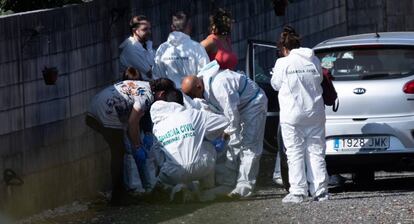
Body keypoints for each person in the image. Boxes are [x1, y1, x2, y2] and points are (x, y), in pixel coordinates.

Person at [181, 61, 268, 198]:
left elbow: (232, 116)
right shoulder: (201, 85)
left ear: (198, 86)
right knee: (231, 144)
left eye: (194, 95)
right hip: (237, 106)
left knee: (249, 146)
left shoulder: (220, 86)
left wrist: (225, 135)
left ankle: (244, 187)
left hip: (253, 103)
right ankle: (228, 183)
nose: (195, 98)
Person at [85, 78, 175, 206]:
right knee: (118, 152)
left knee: (119, 150)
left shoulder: (143, 84)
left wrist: (140, 139)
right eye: (165, 100)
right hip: (107, 111)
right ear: (161, 94)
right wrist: (137, 147)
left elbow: (135, 121)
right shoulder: (147, 97)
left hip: (95, 106)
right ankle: (118, 197)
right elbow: (133, 122)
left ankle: (121, 193)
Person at [270, 25, 329, 203]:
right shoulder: (313, 59)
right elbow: (319, 79)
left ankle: (298, 192)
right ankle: (321, 191)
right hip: (315, 112)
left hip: (292, 114)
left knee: (295, 152)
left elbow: (275, 85)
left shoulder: (282, 63)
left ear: (284, 48)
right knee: (316, 151)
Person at [151, 88, 230, 202]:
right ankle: (206, 191)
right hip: (201, 167)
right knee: (208, 146)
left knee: (171, 166)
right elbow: (225, 121)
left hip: (172, 173)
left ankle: (175, 189)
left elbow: (157, 154)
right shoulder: (193, 114)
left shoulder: (157, 126)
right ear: (182, 102)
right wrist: (209, 133)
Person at [152, 11, 210, 88]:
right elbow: (206, 75)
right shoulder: (197, 47)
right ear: (189, 26)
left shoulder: (162, 49)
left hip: (169, 96)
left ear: (172, 27)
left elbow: (156, 76)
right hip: (193, 96)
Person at [119, 15, 155, 81]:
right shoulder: (130, 48)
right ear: (135, 31)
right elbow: (151, 73)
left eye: (149, 29)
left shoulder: (146, 44)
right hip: (136, 88)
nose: (149, 32)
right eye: (145, 29)